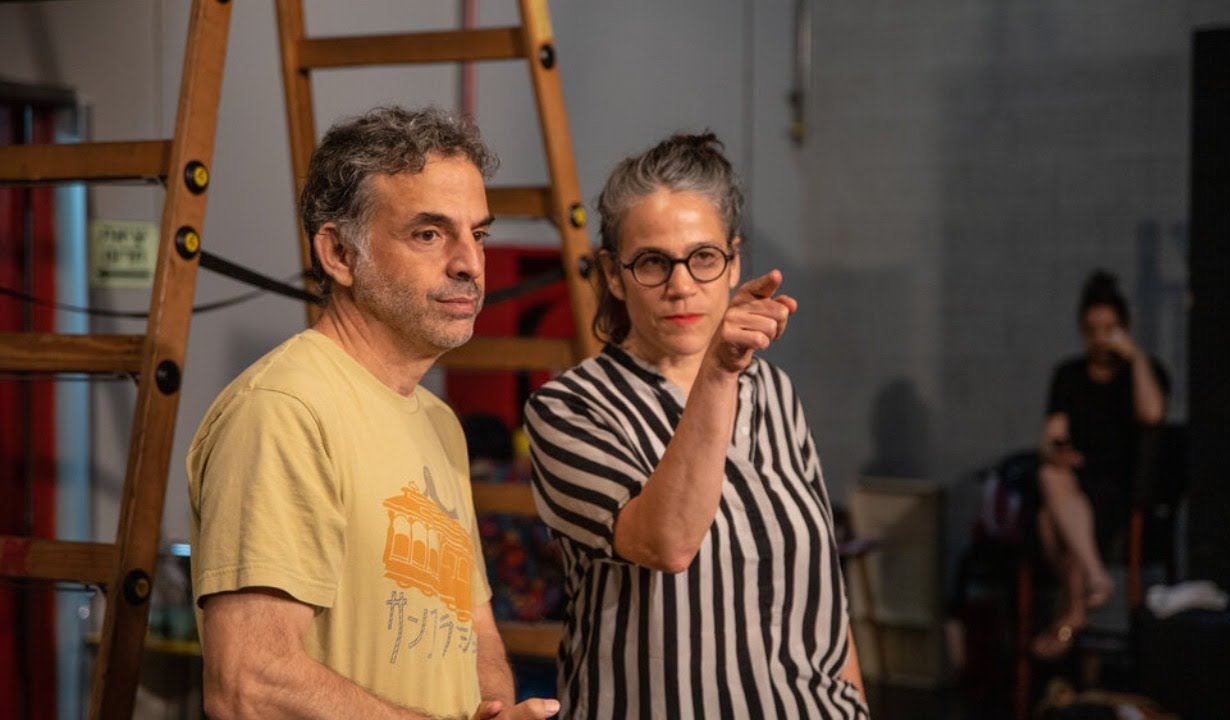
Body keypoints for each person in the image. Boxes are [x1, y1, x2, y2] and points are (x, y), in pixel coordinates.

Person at [187, 106, 558, 720]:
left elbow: (472, 629)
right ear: (338, 253)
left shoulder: (439, 422)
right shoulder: (284, 410)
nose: (469, 263)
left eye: (479, 234)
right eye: (430, 234)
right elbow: (249, 685)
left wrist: (497, 708)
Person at [523, 133, 870, 718]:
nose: (681, 285)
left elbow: (823, 599)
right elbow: (666, 543)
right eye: (654, 262)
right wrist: (718, 374)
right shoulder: (570, 408)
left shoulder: (774, 392)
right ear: (613, 273)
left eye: (703, 258)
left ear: (733, 261)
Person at [1032, 270, 1169, 659]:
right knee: (1050, 477)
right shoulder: (1069, 375)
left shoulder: (1142, 372)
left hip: (1118, 486)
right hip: (1076, 477)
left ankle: (1074, 611)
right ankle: (1093, 581)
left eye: (1109, 328)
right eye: (1092, 328)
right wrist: (1056, 449)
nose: (1099, 337)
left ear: (1122, 328)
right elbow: (1050, 433)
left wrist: (1136, 357)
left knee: (1050, 522)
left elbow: (1153, 413)